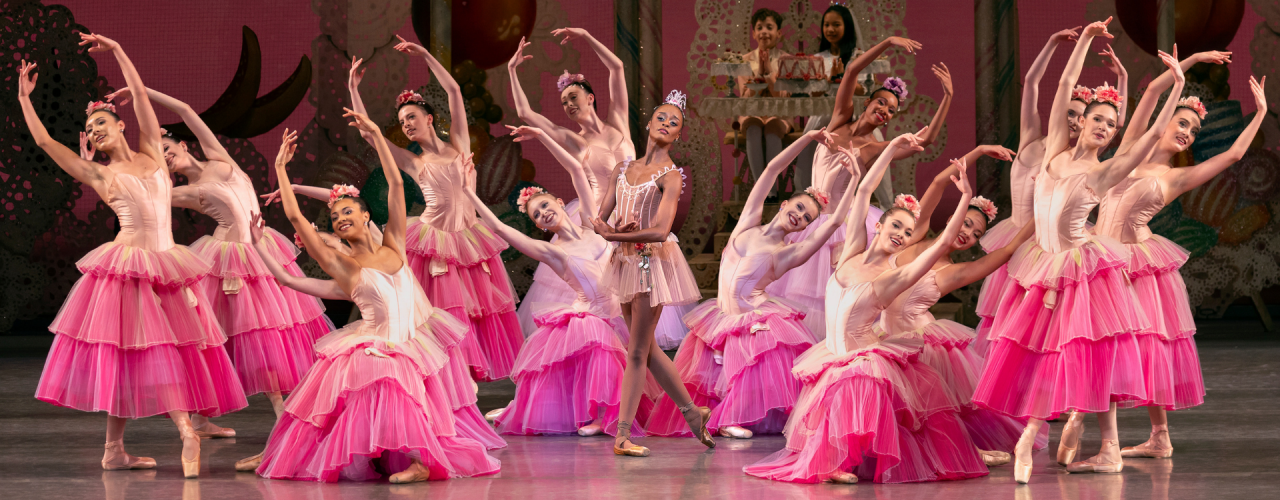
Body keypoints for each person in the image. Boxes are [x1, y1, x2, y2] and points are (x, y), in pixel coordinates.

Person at [973, 18, 1187, 483]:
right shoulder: (1052, 152)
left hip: (1080, 269)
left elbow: (1148, 137)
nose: (1104, 129)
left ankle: (1075, 438)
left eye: (1111, 125)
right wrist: (1085, 40)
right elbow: (1064, 85)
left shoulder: (1102, 173)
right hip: (1041, 265)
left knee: (1086, 354)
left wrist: (1177, 89)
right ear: (1082, 120)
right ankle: (1037, 431)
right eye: (1098, 120)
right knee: (1033, 354)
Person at [24, 33, 246, 479]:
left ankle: (114, 450)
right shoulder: (101, 175)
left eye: (101, 123)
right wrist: (24, 100)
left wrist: (119, 52)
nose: (94, 132)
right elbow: (49, 145)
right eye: (89, 130)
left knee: (160, 353)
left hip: (167, 264)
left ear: (120, 124)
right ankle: (184, 430)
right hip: (129, 269)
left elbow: (142, 97)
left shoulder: (154, 157)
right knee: (138, 354)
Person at [252, 122, 501, 483]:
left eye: (347, 212)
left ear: (366, 215)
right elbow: (295, 220)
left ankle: (409, 458)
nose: (340, 219)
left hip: (411, 342)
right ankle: (406, 460)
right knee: (388, 381)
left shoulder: (394, 244)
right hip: (375, 345)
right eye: (335, 217)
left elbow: (398, 184)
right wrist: (280, 170)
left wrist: (379, 138)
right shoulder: (344, 267)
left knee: (412, 397)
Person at [745, 129, 987, 484]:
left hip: (862, 358)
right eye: (896, 226)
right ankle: (840, 457)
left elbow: (941, 245)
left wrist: (964, 198)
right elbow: (862, 192)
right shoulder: (855, 247)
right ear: (882, 224)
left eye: (907, 233)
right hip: (834, 352)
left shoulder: (893, 276)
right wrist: (890, 148)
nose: (901, 236)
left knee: (853, 380)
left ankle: (846, 460)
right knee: (836, 383)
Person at [99, 86, 333, 431]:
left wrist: (141, 91)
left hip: (264, 251)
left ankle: (215, 418)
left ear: (180, 144)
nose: (166, 157)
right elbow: (137, 200)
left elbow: (186, 109)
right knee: (228, 337)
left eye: (167, 149)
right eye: (160, 158)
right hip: (229, 262)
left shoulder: (221, 158)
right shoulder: (178, 191)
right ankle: (255, 417)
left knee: (270, 333)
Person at [1072, 51, 1255, 463]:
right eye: (1183, 123)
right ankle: (1127, 436)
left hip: (1136, 262)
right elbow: (1154, 94)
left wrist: (1259, 113)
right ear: (1165, 121)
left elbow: (1232, 157)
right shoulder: (1130, 149)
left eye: (1193, 130)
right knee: (1106, 344)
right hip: (1101, 254)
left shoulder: (1174, 177)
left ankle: (1134, 440)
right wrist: (1185, 68)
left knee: (1132, 346)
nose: (1188, 133)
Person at [645, 129, 861, 440]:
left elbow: (838, 222)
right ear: (785, 204)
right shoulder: (748, 220)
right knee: (706, 372)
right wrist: (808, 138)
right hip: (721, 315)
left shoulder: (787, 255)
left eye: (807, 218)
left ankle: (736, 417)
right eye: (799, 208)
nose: (800, 217)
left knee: (753, 349)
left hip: (753, 316)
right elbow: (772, 168)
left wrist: (853, 179)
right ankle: (721, 416)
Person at [349, 36, 523, 383]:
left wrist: (426, 53)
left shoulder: (459, 147)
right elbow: (371, 136)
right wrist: (354, 90)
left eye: (412, 117)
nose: (407, 125)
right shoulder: (415, 161)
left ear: (430, 118)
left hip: (469, 241)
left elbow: (455, 92)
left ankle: (466, 394)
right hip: (434, 243)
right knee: (437, 317)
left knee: (474, 316)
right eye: (402, 122)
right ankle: (442, 389)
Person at [507, 28, 691, 349]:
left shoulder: (618, 120)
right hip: (600, 216)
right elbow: (526, 114)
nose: (568, 105)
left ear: (590, 97)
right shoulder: (574, 140)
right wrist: (511, 70)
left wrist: (586, 36)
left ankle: (636, 353)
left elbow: (617, 67)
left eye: (573, 98)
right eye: (564, 102)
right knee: (606, 292)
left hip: (638, 210)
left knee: (643, 288)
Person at [766, 38, 949, 339]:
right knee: (794, 293)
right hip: (811, 216)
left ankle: (829, 353)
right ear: (868, 103)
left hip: (841, 224)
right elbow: (851, 70)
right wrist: (888, 42)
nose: (885, 111)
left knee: (831, 296)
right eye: (882, 103)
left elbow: (925, 141)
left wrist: (947, 97)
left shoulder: (877, 147)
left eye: (891, 111)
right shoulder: (838, 120)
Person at [972, 26, 1130, 355]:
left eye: (1079, 116)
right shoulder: (1032, 139)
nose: (1073, 120)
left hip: (1047, 242)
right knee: (1007, 325)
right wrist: (1051, 42)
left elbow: (1117, 123)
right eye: (1068, 113)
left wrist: (1123, 83)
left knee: (1051, 328)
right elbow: (1031, 83)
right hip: (1015, 237)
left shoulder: (1066, 159)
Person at [877, 152, 1043, 464]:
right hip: (880, 332)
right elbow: (940, 182)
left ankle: (964, 447)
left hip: (916, 340)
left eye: (976, 233)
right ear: (955, 214)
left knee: (931, 406)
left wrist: (1044, 202)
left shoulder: (953, 272)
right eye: (966, 222)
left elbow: (1008, 250)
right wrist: (978, 152)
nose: (967, 233)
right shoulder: (915, 234)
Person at [475, 125, 630, 436]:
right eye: (536, 215)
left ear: (560, 202)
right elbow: (503, 230)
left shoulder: (591, 222)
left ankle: (615, 411)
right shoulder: (553, 251)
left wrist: (543, 136)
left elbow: (576, 168)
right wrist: (468, 193)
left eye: (545, 205)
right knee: (597, 339)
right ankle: (600, 416)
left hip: (619, 312)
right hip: (592, 317)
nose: (543, 213)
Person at [590, 90, 714, 456]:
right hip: (625, 260)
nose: (666, 123)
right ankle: (693, 413)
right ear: (648, 123)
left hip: (649, 260)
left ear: (678, 136)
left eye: (674, 123)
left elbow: (660, 230)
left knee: (636, 352)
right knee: (646, 347)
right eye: (661, 117)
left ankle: (623, 436)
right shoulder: (622, 169)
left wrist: (614, 234)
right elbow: (599, 218)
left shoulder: (671, 176)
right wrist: (607, 229)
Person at [794, 3, 859, 193]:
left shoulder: (857, 56)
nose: (830, 29)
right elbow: (812, 92)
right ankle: (806, 193)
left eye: (836, 25)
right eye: (826, 25)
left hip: (852, 115)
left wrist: (843, 79)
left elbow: (866, 89)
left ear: (846, 26)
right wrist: (828, 81)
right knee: (808, 148)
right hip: (823, 114)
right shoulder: (818, 58)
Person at [737, 8, 792, 197]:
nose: (764, 32)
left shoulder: (787, 61)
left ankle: (772, 191)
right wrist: (759, 73)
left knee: (772, 128)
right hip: (752, 113)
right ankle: (760, 192)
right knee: (753, 127)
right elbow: (745, 97)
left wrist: (768, 73)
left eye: (769, 27)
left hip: (779, 114)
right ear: (753, 33)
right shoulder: (744, 61)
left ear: (779, 32)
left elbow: (783, 96)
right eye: (759, 28)